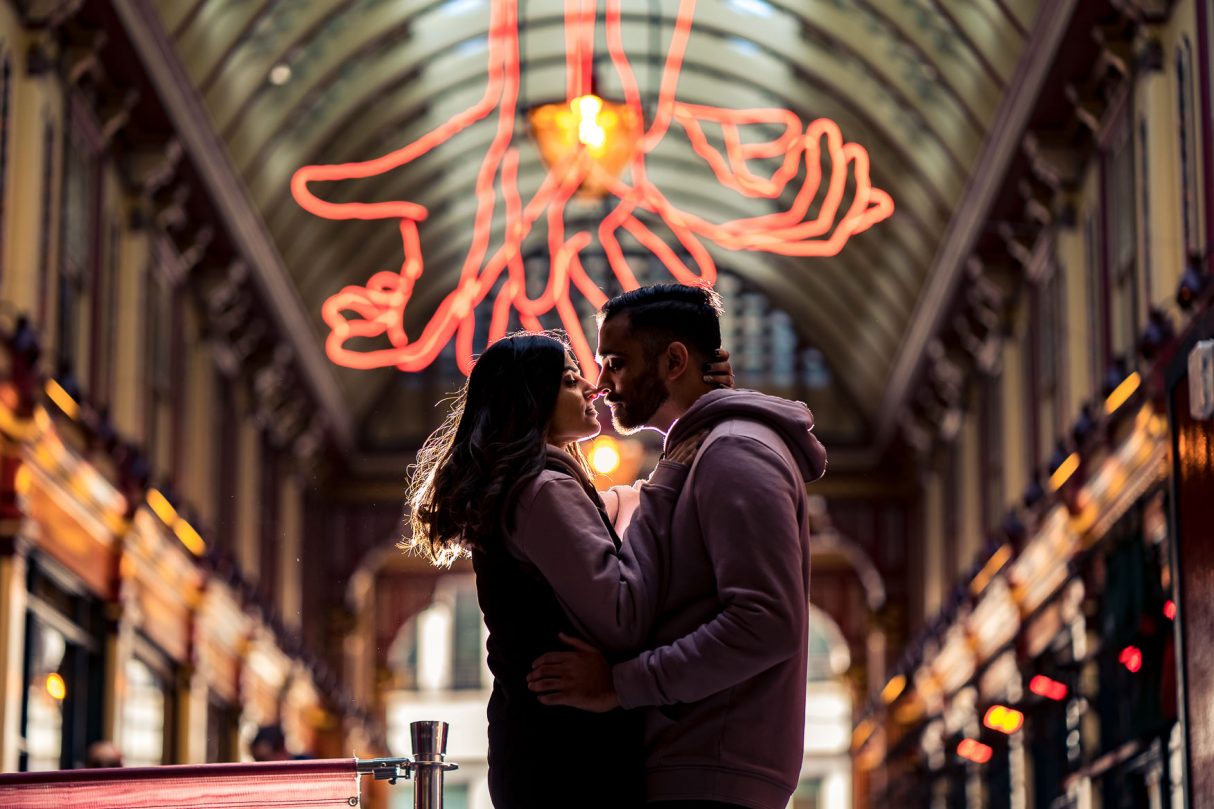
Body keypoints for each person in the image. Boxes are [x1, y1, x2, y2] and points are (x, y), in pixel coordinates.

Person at [526, 284, 828, 809]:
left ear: (673, 361)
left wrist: (621, 686)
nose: (602, 386)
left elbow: (765, 622)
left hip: (712, 766)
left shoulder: (733, 452)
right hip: (701, 758)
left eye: (615, 363)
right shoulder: (705, 452)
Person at [406, 331, 731, 809]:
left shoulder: (530, 486)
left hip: (541, 747)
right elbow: (622, 617)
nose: (592, 389)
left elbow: (616, 513)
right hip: (571, 755)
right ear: (531, 397)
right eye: (569, 380)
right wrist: (672, 477)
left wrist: (700, 407)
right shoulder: (542, 490)